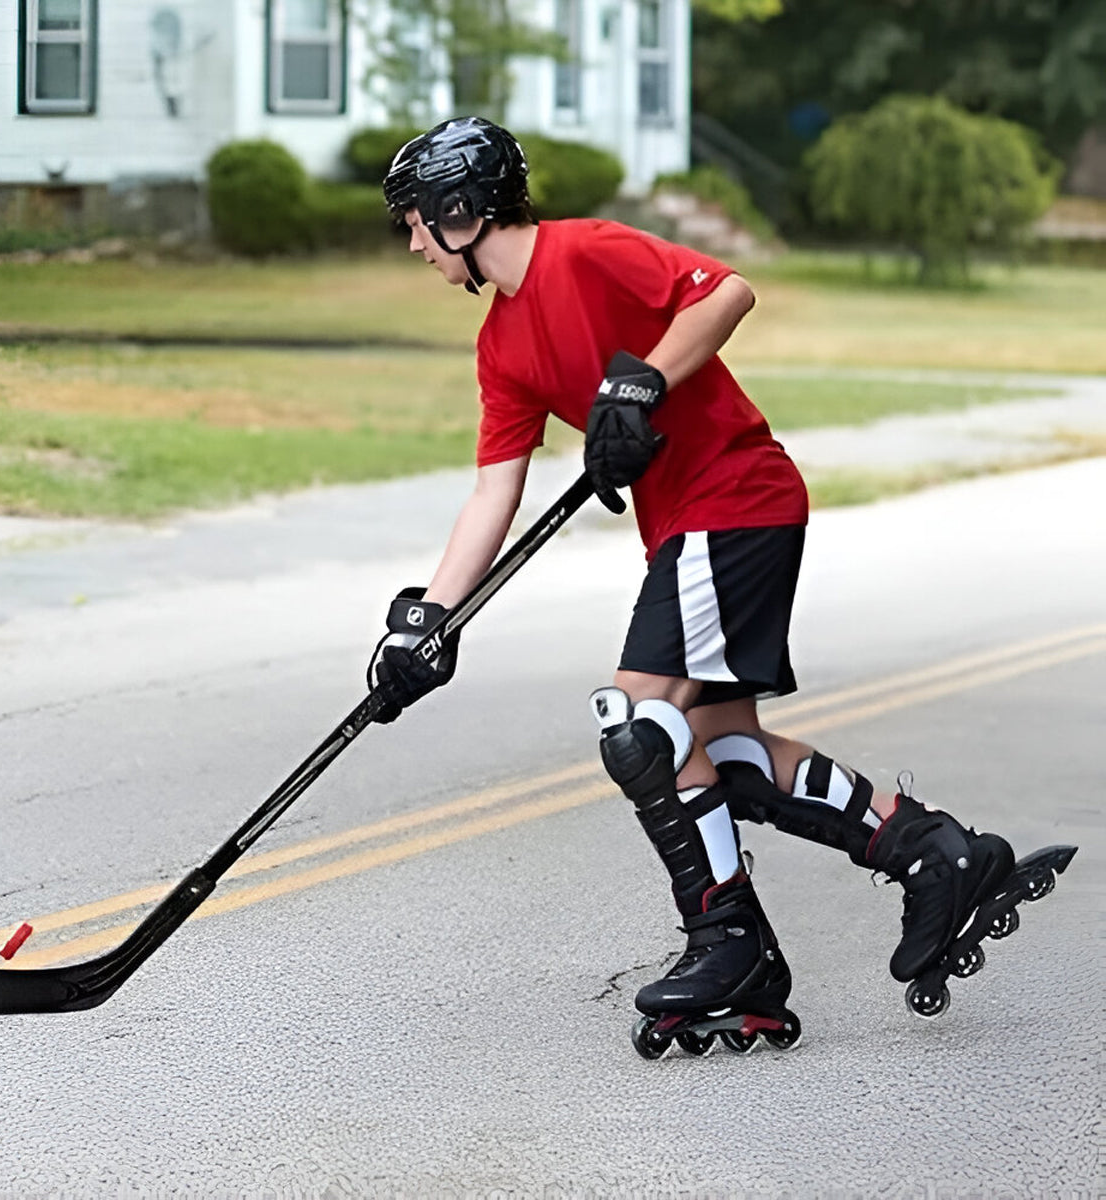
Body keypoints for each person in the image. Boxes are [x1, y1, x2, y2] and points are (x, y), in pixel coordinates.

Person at [365, 116, 1059, 1058]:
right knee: (719, 750)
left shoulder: (587, 253)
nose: (411, 242)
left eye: (413, 220)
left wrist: (641, 382)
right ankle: (936, 855)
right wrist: (428, 621)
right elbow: (497, 488)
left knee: (639, 725)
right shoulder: (502, 346)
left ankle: (728, 941)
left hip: (735, 498)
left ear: (459, 209)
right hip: (699, 524)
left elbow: (726, 291)